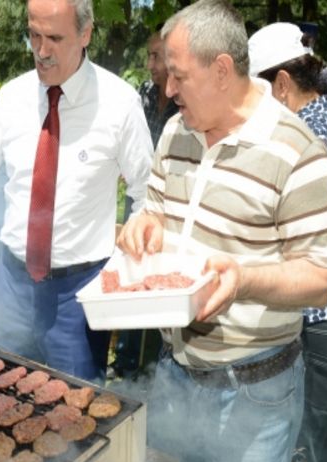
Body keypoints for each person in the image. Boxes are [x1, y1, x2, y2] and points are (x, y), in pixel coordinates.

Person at [116, 2, 327, 462]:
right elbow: (153, 206)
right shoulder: (177, 129)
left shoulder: (299, 152)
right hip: (175, 377)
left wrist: (244, 280)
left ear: (221, 70)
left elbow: (320, 279)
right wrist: (145, 223)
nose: (167, 87)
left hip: (255, 395)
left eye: (178, 75)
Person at [0, 0, 153, 380]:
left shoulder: (119, 104)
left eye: (55, 38)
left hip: (79, 294)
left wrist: (136, 249)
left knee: (77, 414)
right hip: (12, 283)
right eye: (34, 35)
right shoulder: (12, 98)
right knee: (1, 393)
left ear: (85, 33)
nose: (40, 52)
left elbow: (147, 194)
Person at [249, 22, 327, 462]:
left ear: (282, 85)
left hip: (326, 326)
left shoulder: (306, 144)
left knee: (320, 461)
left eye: (254, 89)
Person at [112, 26, 180, 378]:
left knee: (157, 282)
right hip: (137, 199)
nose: (150, 64)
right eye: (149, 55)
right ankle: (125, 360)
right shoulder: (143, 96)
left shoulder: (185, 106)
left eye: (157, 56)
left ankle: (151, 363)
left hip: (169, 209)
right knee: (130, 273)